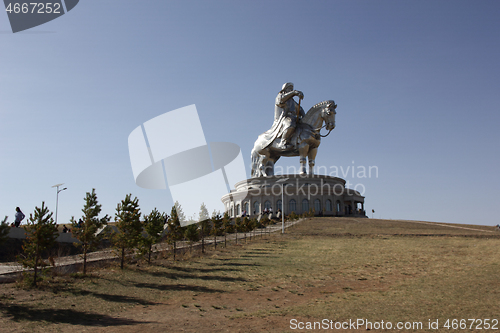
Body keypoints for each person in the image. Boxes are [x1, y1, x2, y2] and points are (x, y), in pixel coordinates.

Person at [271, 82, 305, 149]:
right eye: (289, 88)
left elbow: (299, 109)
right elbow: (281, 101)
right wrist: (294, 93)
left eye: (292, 89)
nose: (291, 90)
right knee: (290, 124)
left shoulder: (292, 101)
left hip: (294, 117)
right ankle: (283, 142)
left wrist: (304, 117)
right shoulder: (280, 96)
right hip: (285, 117)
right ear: (285, 89)